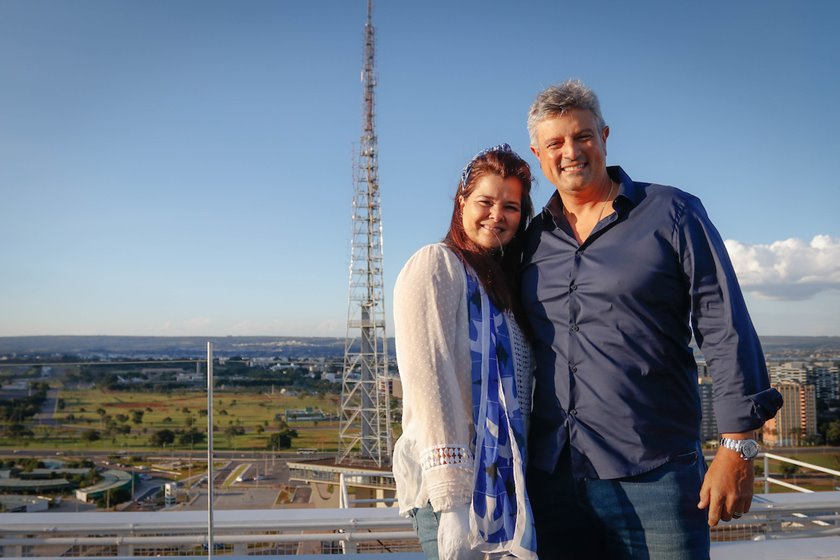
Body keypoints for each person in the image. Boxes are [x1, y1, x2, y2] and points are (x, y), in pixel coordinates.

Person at [520, 79, 783, 559]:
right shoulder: (531, 240)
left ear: (605, 136)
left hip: (656, 477)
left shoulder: (672, 213)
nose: (571, 152)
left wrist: (739, 447)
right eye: (555, 143)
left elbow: (725, 328)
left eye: (582, 136)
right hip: (553, 481)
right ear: (538, 154)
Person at [392, 144, 538, 560]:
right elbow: (431, 382)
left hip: (505, 490)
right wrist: (452, 504)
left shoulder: (500, 286)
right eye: (485, 202)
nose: (497, 215)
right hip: (451, 496)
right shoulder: (437, 265)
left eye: (510, 206)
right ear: (461, 203)